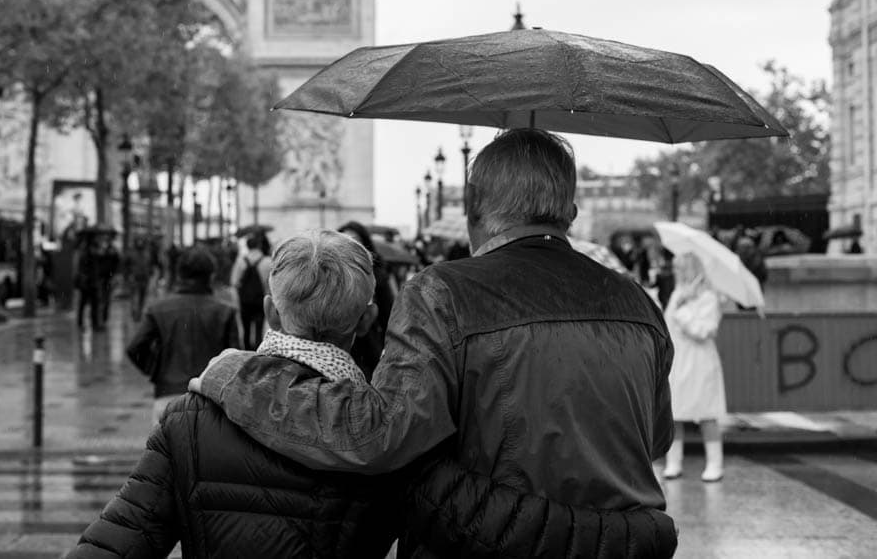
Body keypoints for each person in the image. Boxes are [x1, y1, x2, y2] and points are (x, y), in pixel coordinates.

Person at [192, 129, 676, 554]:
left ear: (472, 213)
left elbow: (375, 437)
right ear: (569, 212)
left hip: (493, 544)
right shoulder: (637, 302)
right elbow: (656, 438)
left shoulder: (443, 293)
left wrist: (241, 379)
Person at [69, 231, 403, 558]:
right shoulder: (386, 434)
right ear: (367, 319)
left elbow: (117, 540)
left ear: (271, 312)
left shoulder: (188, 418)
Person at [126, 246, 239, 421]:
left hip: (168, 394)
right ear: (211, 276)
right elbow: (234, 361)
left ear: (179, 275)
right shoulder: (224, 312)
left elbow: (135, 347)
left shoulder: (158, 309)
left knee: (164, 447)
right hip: (209, 397)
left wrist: (157, 370)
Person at [661, 251, 726, 483]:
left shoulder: (708, 297)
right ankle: (673, 462)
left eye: (679, 268)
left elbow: (705, 331)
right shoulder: (678, 294)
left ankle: (715, 463)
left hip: (699, 362)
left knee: (706, 414)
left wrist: (683, 312)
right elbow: (668, 326)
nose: (675, 272)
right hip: (679, 362)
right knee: (674, 414)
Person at [337, 220, 396, 379]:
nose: (348, 245)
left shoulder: (377, 275)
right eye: (343, 240)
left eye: (354, 240)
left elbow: (387, 313)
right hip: (337, 345)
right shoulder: (331, 274)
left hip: (369, 343)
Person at [229, 231, 272, 350]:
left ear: (247, 246)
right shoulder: (267, 261)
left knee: (246, 329)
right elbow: (271, 284)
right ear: (258, 245)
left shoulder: (241, 261)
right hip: (261, 300)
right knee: (259, 329)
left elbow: (234, 282)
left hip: (245, 301)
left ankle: (247, 351)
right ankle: (258, 350)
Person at [73, 235, 103, 332]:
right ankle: (81, 323)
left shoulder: (94, 256)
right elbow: (83, 270)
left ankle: (94, 324)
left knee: (94, 304)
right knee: (83, 304)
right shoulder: (85, 255)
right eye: (95, 247)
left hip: (93, 283)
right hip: (86, 284)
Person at [123, 236, 155, 322]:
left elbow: (150, 264)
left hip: (144, 277)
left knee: (142, 296)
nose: (140, 243)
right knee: (134, 296)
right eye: (138, 241)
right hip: (134, 277)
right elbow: (125, 265)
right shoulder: (131, 252)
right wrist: (127, 275)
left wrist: (150, 271)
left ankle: (139, 313)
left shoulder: (147, 252)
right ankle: (134, 311)